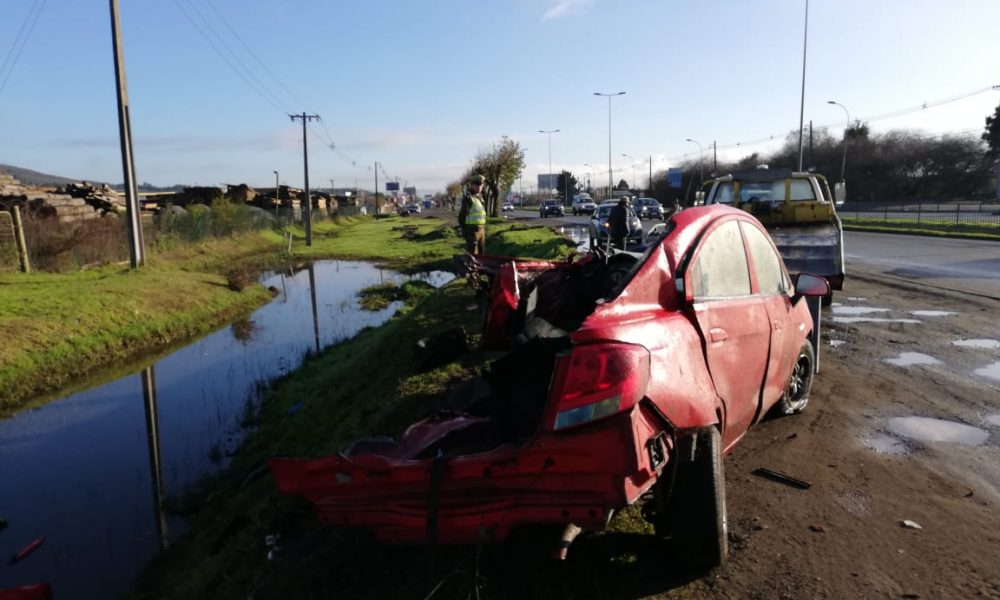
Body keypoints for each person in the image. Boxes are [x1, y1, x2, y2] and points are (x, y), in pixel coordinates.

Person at [458, 174, 487, 254]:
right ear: (472, 185)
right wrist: (465, 230)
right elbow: (462, 216)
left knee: (482, 254)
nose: (479, 187)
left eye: (481, 185)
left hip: (481, 229)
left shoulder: (480, 198)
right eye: (477, 184)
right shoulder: (468, 198)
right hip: (472, 231)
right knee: (473, 255)